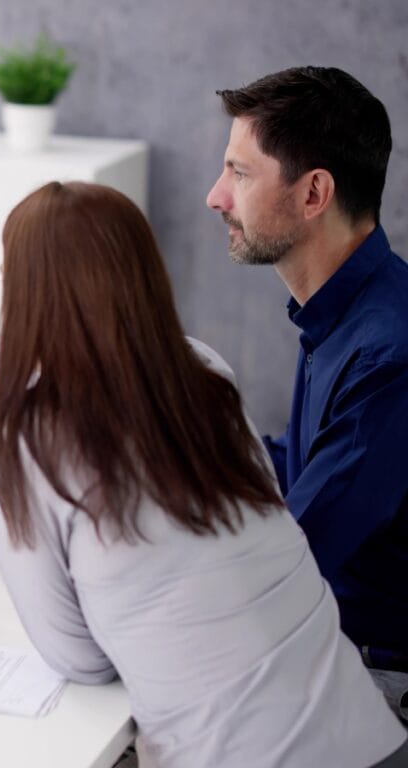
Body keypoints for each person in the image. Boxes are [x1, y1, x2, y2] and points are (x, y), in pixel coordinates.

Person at [0, 181, 408, 767]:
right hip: (370, 737)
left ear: (26, 296)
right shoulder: (203, 374)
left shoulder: (27, 440)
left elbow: (81, 661)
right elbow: (2, 355)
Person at [206, 67, 408, 708]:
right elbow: (301, 464)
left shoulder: (387, 354)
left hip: (376, 678)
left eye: (239, 173)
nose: (217, 197)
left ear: (314, 192)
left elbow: (289, 559)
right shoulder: (343, 311)